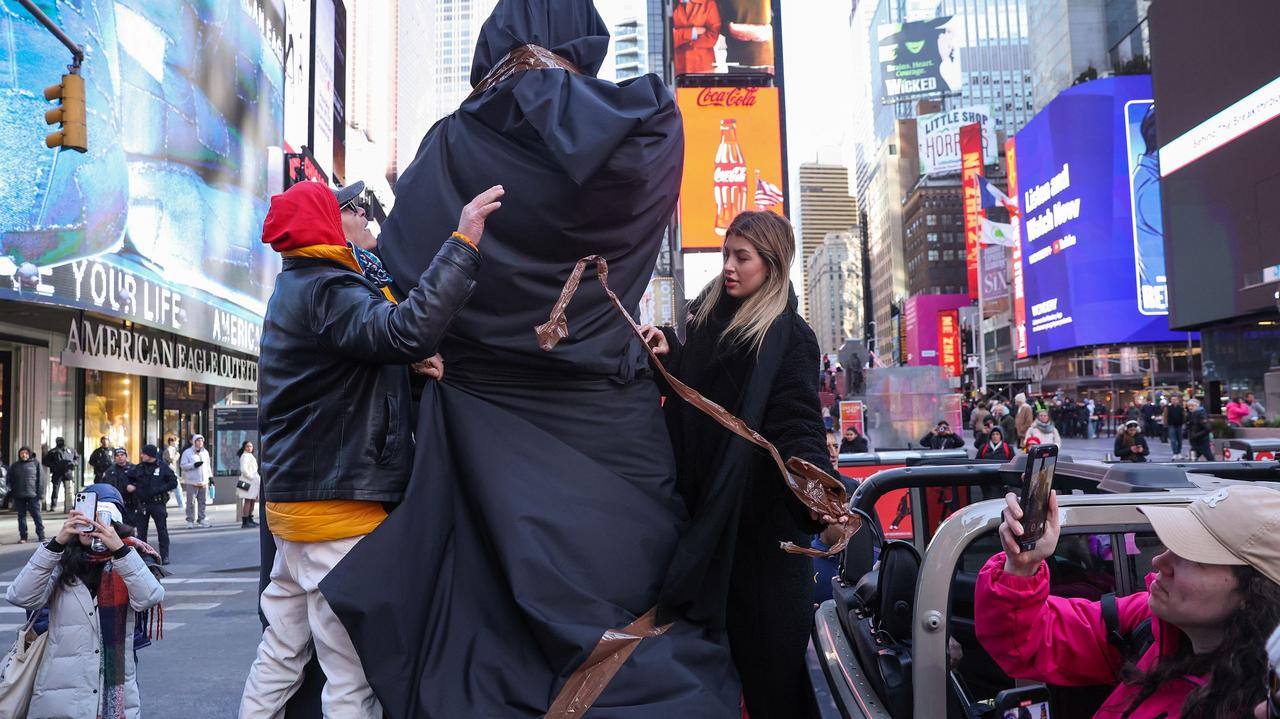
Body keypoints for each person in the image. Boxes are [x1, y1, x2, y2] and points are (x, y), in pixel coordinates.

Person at [239, 178, 495, 717]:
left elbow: (356, 365)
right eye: (355, 209)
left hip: (299, 510)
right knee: (353, 672)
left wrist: (404, 365)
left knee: (282, 652)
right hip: (337, 514)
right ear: (330, 224)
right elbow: (406, 331)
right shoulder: (328, 288)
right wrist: (463, 241)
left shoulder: (301, 288)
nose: (366, 217)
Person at [642, 210, 837, 719]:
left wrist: (815, 482)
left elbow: (797, 420)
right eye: (727, 253)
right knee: (705, 668)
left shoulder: (790, 336)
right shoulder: (706, 319)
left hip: (760, 532)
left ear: (770, 265)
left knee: (772, 678)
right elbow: (700, 398)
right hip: (703, 517)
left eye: (741, 257)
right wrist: (671, 358)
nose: (728, 266)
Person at [977, 484, 1280, 718]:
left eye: (1192, 557)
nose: (1160, 561)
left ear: (1253, 594)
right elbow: (1032, 639)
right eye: (1170, 545)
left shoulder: (1264, 704)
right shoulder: (1152, 626)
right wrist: (1022, 567)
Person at [6, 483, 165, 719]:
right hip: (60, 697)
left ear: (114, 524)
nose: (91, 528)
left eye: (101, 519)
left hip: (115, 699)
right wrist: (57, 542)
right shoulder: (58, 561)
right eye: (87, 519)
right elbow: (20, 595)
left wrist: (120, 551)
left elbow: (149, 597)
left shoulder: (130, 558)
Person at [129, 444, 176, 565]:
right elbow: (128, 478)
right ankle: (142, 556)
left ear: (150, 455)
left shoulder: (162, 467)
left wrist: (160, 489)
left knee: (162, 530)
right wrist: (130, 486)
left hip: (157, 503)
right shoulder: (139, 468)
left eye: (143, 453)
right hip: (143, 504)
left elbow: (173, 482)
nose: (141, 455)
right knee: (141, 532)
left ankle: (164, 556)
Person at [672, 0, 720, 75]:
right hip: (678, 68)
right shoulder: (668, 4)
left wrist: (680, 36)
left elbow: (712, 37)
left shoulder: (708, 3)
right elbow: (668, 38)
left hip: (703, 67)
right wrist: (693, 32)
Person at [8, 446, 45, 543]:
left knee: (37, 516)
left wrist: (40, 494)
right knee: (21, 517)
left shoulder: (36, 464)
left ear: (29, 454)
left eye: (26, 453)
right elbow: (9, 480)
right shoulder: (15, 466)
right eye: (22, 453)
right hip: (19, 495)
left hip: (33, 496)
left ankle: (41, 535)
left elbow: (41, 480)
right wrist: (11, 492)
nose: (24, 455)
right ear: (19, 455)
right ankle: (23, 537)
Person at [179, 435, 212, 529]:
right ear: (194, 442)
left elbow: (208, 466)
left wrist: (211, 477)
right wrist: (193, 465)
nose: (200, 443)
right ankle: (190, 520)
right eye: (198, 441)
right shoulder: (187, 453)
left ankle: (202, 518)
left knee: (202, 501)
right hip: (192, 481)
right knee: (191, 502)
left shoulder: (205, 452)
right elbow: (183, 465)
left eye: (202, 441)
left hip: (204, 480)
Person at [41, 436, 77, 513]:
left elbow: (77, 458)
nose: (60, 442)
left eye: (61, 440)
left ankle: (70, 506)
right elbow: (45, 461)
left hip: (68, 472)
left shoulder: (70, 450)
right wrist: (53, 465)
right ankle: (53, 506)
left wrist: (73, 463)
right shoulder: (53, 451)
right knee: (55, 490)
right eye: (58, 441)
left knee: (69, 490)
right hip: (57, 473)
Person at [104, 447, 137, 524]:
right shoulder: (110, 471)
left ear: (126, 456)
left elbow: (141, 483)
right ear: (115, 458)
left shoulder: (133, 469)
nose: (120, 457)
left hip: (130, 504)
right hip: (116, 504)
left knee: (130, 528)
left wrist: (134, 487)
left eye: (122, 455)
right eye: (117, 455)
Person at [236, 441, 260, 529]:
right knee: (248, 501)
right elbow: (244, 470)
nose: (250, 448)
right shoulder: (245, 456)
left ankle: (250, 518)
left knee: (252, 500)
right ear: (244, 447)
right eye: (248, 446)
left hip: (252, 482)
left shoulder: (250, 455)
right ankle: (245, 521)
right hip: (247, 481)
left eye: (251, 446)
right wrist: (251, 477)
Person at [1163, 393, 1186, 460]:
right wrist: (1165, 424)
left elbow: (1184, 416)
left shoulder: (1181, 408)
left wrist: (1184, 423)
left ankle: (1179, 453)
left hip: (1179, 425)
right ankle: (1175, 453)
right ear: (1171, 400)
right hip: (1171, 425)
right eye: (1172, 399)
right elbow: (1165, 416)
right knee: (1173, 440)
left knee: (1180, 440)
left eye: (1175, 399)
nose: (1174, 400)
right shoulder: (1167, 408)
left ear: (1178, 400)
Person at [162, 436, 183, 509]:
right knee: (178, 488)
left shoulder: (174, 450)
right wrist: (177, 455)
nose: (177, 443)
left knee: (171, 489)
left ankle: (163, 502)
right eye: (176, 441)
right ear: (171, 442)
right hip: (169, 472)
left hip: (172, 471)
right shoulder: (168, 450)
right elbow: (172, 460)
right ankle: (181, 505)